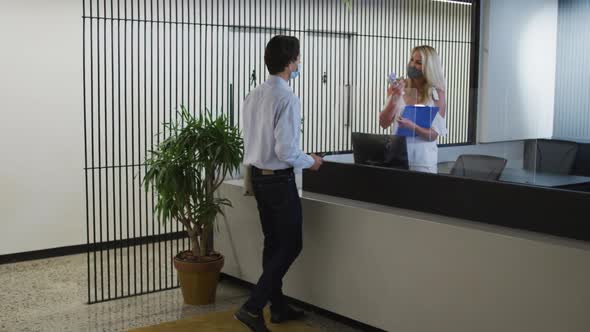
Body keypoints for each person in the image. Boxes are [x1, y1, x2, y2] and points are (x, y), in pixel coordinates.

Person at [235, 35, 323, 332]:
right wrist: (311, 161)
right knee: (291, 244)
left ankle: (279, 307)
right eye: (297, 58)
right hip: (280, 181)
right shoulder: (287, 97)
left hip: (259, 178)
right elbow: (286, 151)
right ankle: (253, 306)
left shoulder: (254, 94)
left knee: (273, 243)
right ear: (289, 62)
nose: (299, 63)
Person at [379, 45, 448, 174]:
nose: (412, 65)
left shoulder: (437, 93)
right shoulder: (399, 86)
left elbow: (433, 135)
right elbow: (383, 123)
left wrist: (412, 126)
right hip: (397, 158)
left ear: (429, 67)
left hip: (422, 162)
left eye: (418, 62)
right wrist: (395, 96)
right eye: (411, 60)